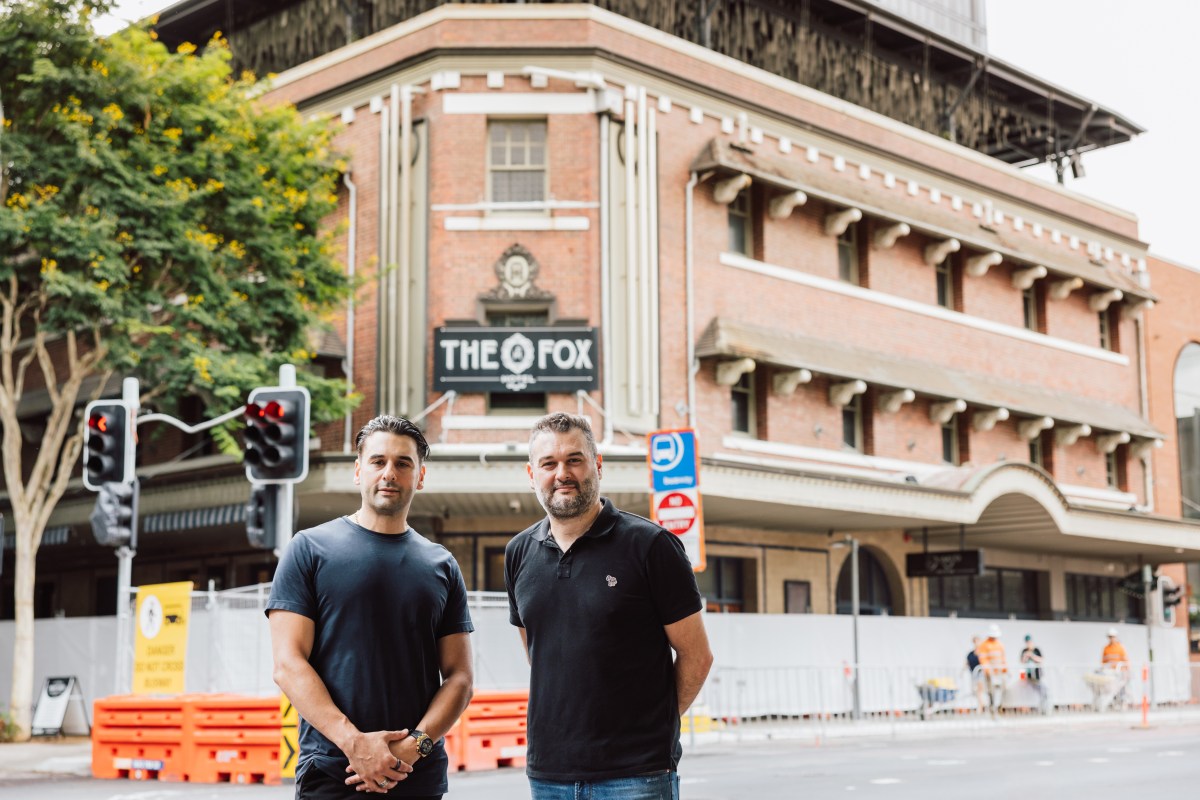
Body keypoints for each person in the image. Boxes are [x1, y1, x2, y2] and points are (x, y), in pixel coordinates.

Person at [505, 413, 714, 800]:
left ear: (597, 465)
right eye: (548, 463)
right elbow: (538, 652)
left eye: (575, 459)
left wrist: (655, 728)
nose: (562, 473)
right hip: (549, 774)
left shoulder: (651, 546)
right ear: (531, 474)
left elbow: (696, 656)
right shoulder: (518, 553)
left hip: (637, 775)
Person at [267, 416, 475, 798]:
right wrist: (355, 744)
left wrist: (412, 748)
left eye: (403, 463)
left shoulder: (441, 564)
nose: (389, 473)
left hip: (416, 776)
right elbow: (288, 664)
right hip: (333, 773)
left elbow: (460, 677)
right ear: (359, 470)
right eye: (378, 461)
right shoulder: (309, 549)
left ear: (420, 476)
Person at [975, 625, 1007, 715]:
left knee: (1002, 689)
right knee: (991, 691)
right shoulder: (984, 645)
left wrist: (1005, 669)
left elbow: (1003, 658)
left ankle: (1000, 707)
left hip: (1000, 672)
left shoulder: (999, 644)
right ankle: (992, 708)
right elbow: (983, 659)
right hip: (990, 673)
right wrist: (988, 671)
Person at [1101, 627, 1130, 707]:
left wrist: (1127, 671)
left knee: (1121, 688)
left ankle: (1123, 702)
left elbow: (1126, 660)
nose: (1111, 639)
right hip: (1111, 673)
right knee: (1111, 688)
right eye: (1110, 637)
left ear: (1116, 637)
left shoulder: (1120, 648)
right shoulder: (1106, 648)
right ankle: (1114, 703)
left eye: (1113, 637)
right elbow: (1103, 662)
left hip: (1120, 672)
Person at [1020, 634, 1048, 714]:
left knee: (1043, 691)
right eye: (1027, 642)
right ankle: (1027, 708)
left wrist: (1032, 656)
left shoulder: (1036, 650)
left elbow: (1041, 659)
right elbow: (1022, 661)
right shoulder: (1024, 651)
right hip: (1028, 675)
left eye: (1029, 642)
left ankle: (1043, 707)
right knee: (1027, 692)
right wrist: (1026, 655)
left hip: (1037, 675)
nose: (1028, 643)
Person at [966, 636, 985, 712]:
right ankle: (981, 705)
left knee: (979, 690)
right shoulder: (970, 654)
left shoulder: (982, 653)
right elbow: (966, 663)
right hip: (973, 675)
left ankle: (980, 707)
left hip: (981, 674)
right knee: (976, 691)